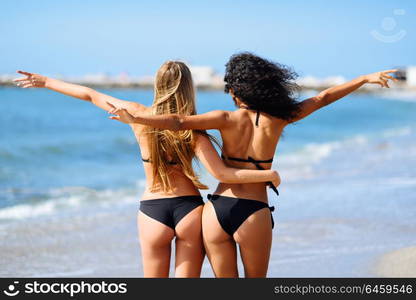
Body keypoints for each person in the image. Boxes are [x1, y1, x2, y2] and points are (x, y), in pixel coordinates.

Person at [107, 52, 397, 278]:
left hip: (217, 209)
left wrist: (137, 119)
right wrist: (363, 78)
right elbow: (322, 98)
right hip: (254, 211)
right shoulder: (280, 118)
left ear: (235, 90)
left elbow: (178, 121)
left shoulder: (224, 118)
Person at [13, 61, 280, 278]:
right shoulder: (193, 130)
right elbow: (221, 173)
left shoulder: (138, 116)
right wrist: (267, 174)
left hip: (152, 209)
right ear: (189, 88)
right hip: (189, 210)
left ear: (157, 85)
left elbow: (90, 94)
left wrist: (46, 82)